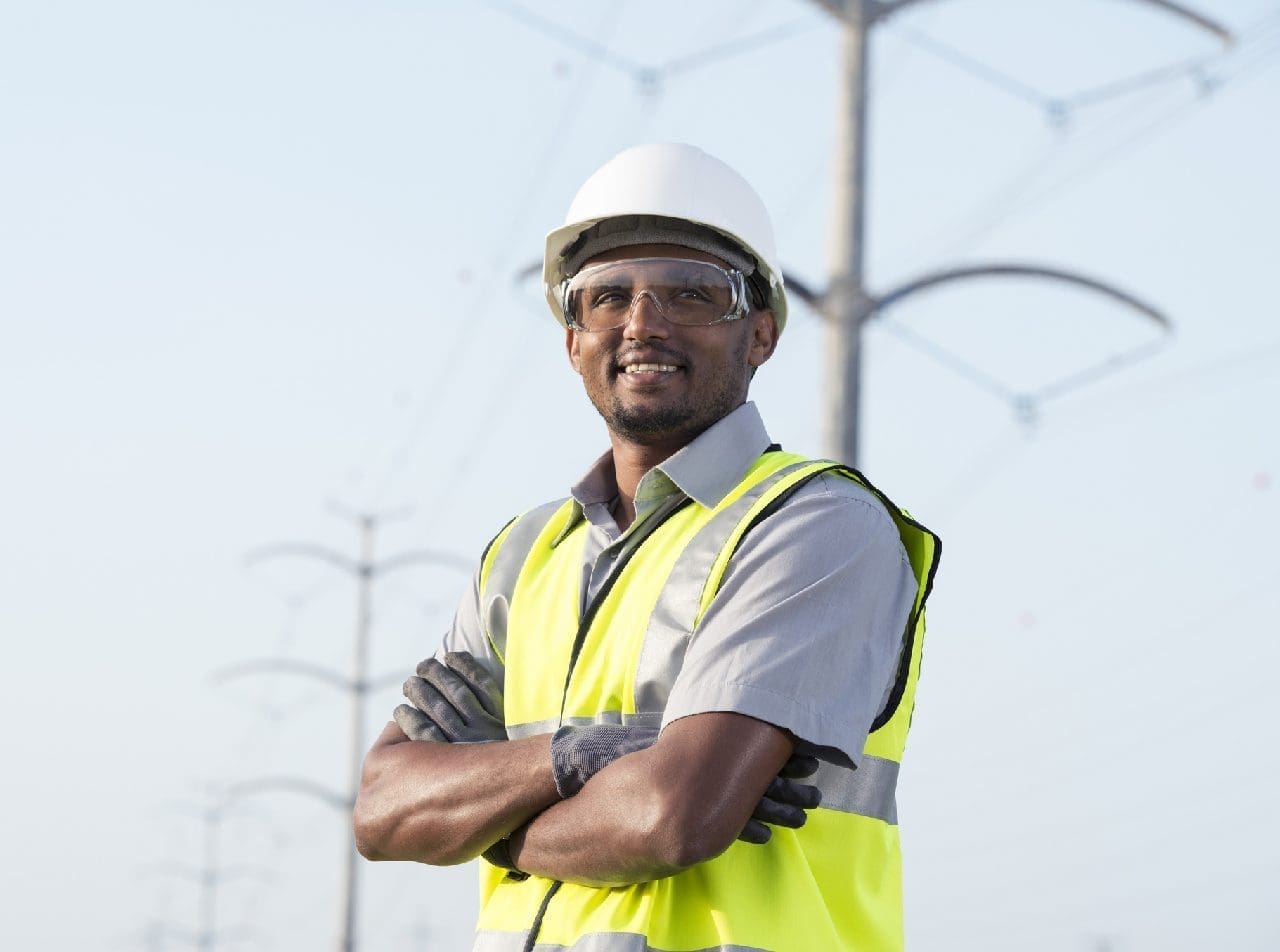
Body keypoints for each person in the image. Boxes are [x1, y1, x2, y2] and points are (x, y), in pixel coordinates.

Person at [353, 142, 940, 952]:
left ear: (760, 333)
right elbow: (384, 811)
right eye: (605, 297)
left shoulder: (815, 526)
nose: (641, 324)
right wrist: (573, 760)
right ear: (572, 340)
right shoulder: (525, 557)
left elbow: (670, 818)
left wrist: (483, 828)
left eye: (692, 294)